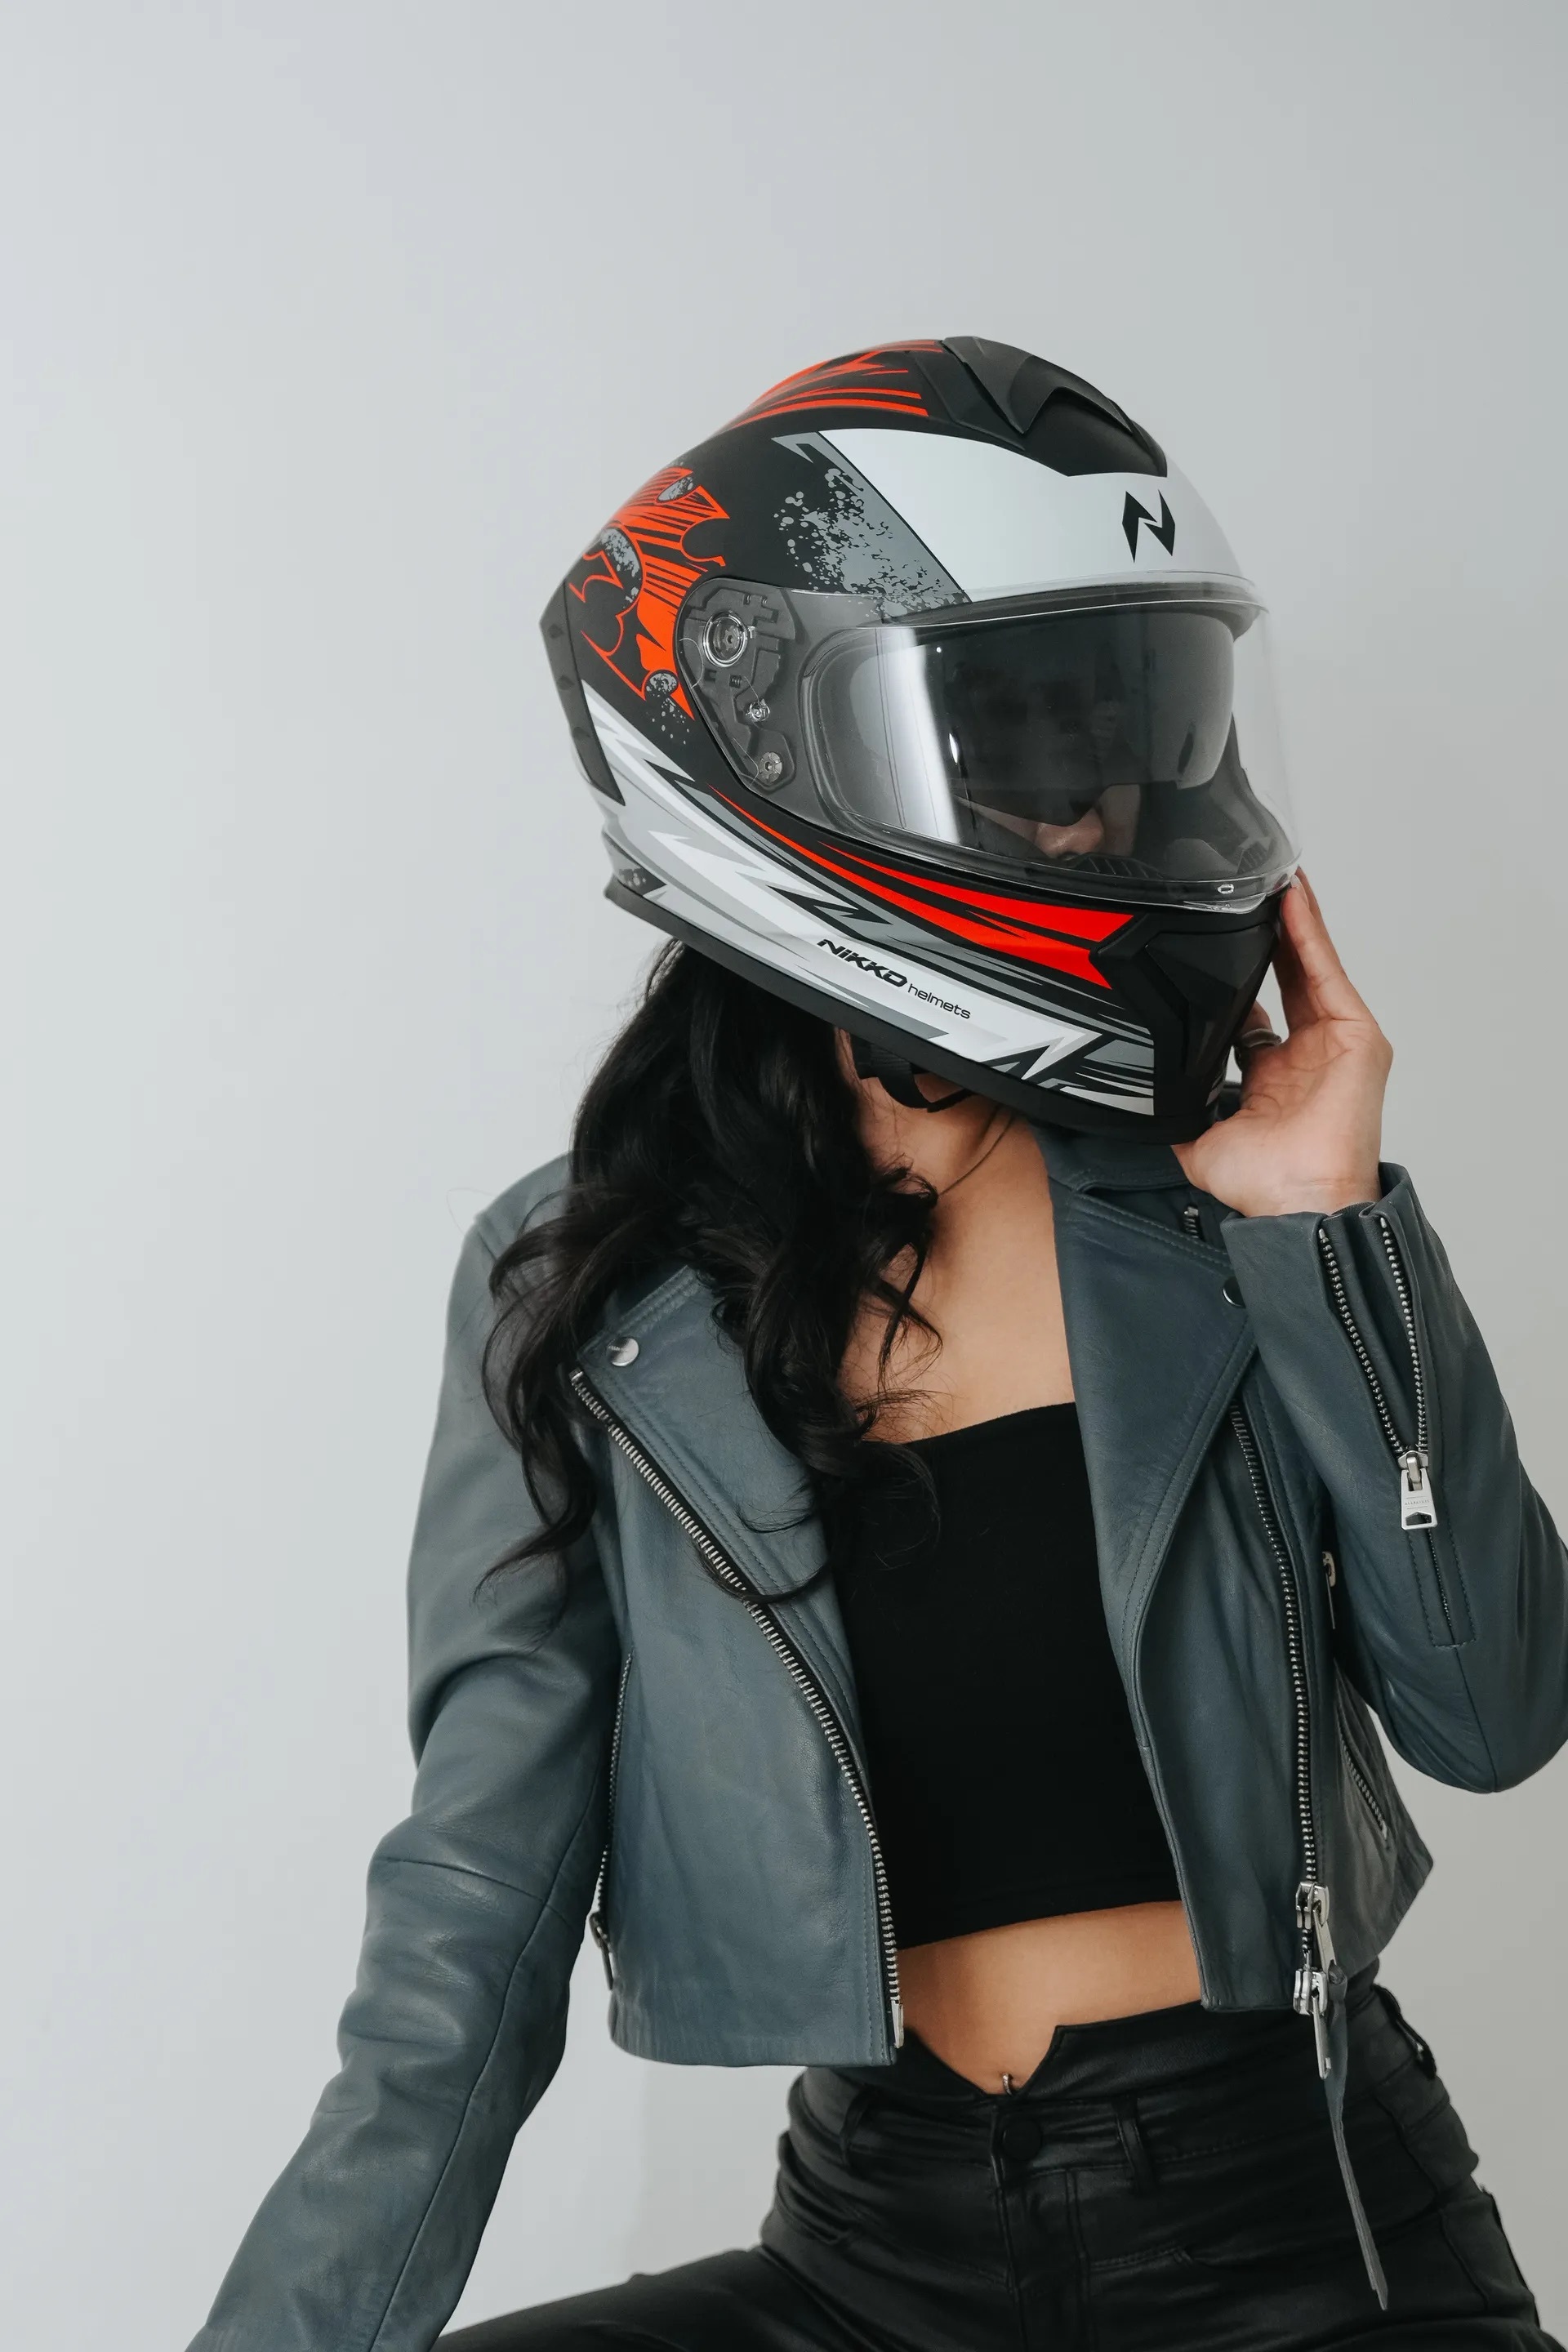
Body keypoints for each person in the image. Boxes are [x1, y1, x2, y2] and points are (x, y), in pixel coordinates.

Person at [188, 341, 1567, 2351]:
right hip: (873, 2259)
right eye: (1015, 736)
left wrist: (1328, 1231)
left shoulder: (1239, 1206)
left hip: (1298, 2247)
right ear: (772, 749)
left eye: (1132, 728)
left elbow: (1496, 1709)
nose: (1094, 816)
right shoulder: (590, 1294)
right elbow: (462, 1952)